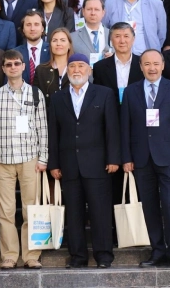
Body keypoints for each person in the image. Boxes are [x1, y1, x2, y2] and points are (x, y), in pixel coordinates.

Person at [120, 49, 170, 268]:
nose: (152, 68)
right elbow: (125, 127)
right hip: (141, 158)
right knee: (149, 207)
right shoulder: (130, 91)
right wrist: (126, 157)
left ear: (162, 65)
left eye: (156, 64)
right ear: (140, 67)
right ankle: (157, 251)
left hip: (169, 157)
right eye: (147, 64)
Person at [48, 53, 120, 268]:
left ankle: (104, 256)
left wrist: (113, 158)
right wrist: (54, 163)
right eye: (72, 66)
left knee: (100, 212)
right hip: (69, 165)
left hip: (98, 165)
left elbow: (112, 129)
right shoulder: (57, 98)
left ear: (89, 70)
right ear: (67, 71)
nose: (76, 70)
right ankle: (78, 256)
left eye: (81, 66)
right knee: (74, 214)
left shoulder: (104, 94)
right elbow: (53, 133)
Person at [0, 49, 48, 269]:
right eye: (8, 64)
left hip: (29, 158)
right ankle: (10, 255)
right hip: (2, 158)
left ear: (24, 66)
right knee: (5, 212)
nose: (13, 67)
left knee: (30, 209)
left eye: (16, 63)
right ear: (3, 69)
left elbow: (42, 127)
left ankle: (31, 255)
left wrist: (43, 158)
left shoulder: (35, 94)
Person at [103, 0, 167, 55]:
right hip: (119, 56)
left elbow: (161, 34)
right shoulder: (110, 3)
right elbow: (104, 30)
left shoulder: (155, 3)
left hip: (146, 56)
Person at [93, 22, 144, 104]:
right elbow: (98, 97)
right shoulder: (100, 67)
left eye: (126, 36)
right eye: (117, 36)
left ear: (133, 39)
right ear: (111, 40)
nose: (122, 41)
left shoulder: (143, 65)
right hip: (110, 110)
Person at [34, 27, 74, 98]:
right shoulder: (41, 70)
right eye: (55, 40)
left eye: (63, 40)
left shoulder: (77, 69)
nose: (58, 44)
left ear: (69, 45)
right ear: (50, 45)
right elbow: (36, 96)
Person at [71, 0, 111, 64]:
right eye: (89, 9)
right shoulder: (72, 37)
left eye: (96, 9)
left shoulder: (113, 35)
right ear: (83, 11)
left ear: (103, 12)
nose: (93, 13)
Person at [16, 10, 51, 85]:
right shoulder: (15, 53)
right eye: (28, 25)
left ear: (42, 28)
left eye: (36, 24)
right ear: (23, 29)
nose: (32, 28)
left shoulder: (52, 50)